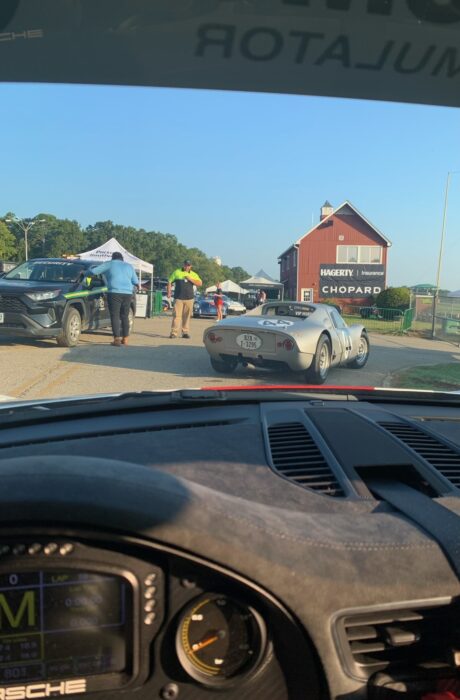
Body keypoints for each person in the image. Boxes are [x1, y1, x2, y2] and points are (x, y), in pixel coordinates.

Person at [91, 251, 139, 346]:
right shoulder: (129, 266)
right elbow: (135, 281)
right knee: (124, 316)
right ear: (122, 259)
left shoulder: (109, 264)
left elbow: (93, 271)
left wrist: (85, 273)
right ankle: (125, 338)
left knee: (115, 316)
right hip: (127, 294)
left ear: (112, 258)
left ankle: (116, 339)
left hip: (114, 293)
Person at [167, 260, 203, 338]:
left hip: (189, 298)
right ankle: (174, 333)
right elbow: (169, 281)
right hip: (178, 298)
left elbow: (200, 283)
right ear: (183, 265)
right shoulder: (177, 272)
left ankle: (185, 332)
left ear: (191, 266)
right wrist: (169, 292)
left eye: (189, 265)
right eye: (186, 265)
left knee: (186, 316)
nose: (187, 267)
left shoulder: (193, 274)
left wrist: (190, 279)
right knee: (177, 316)